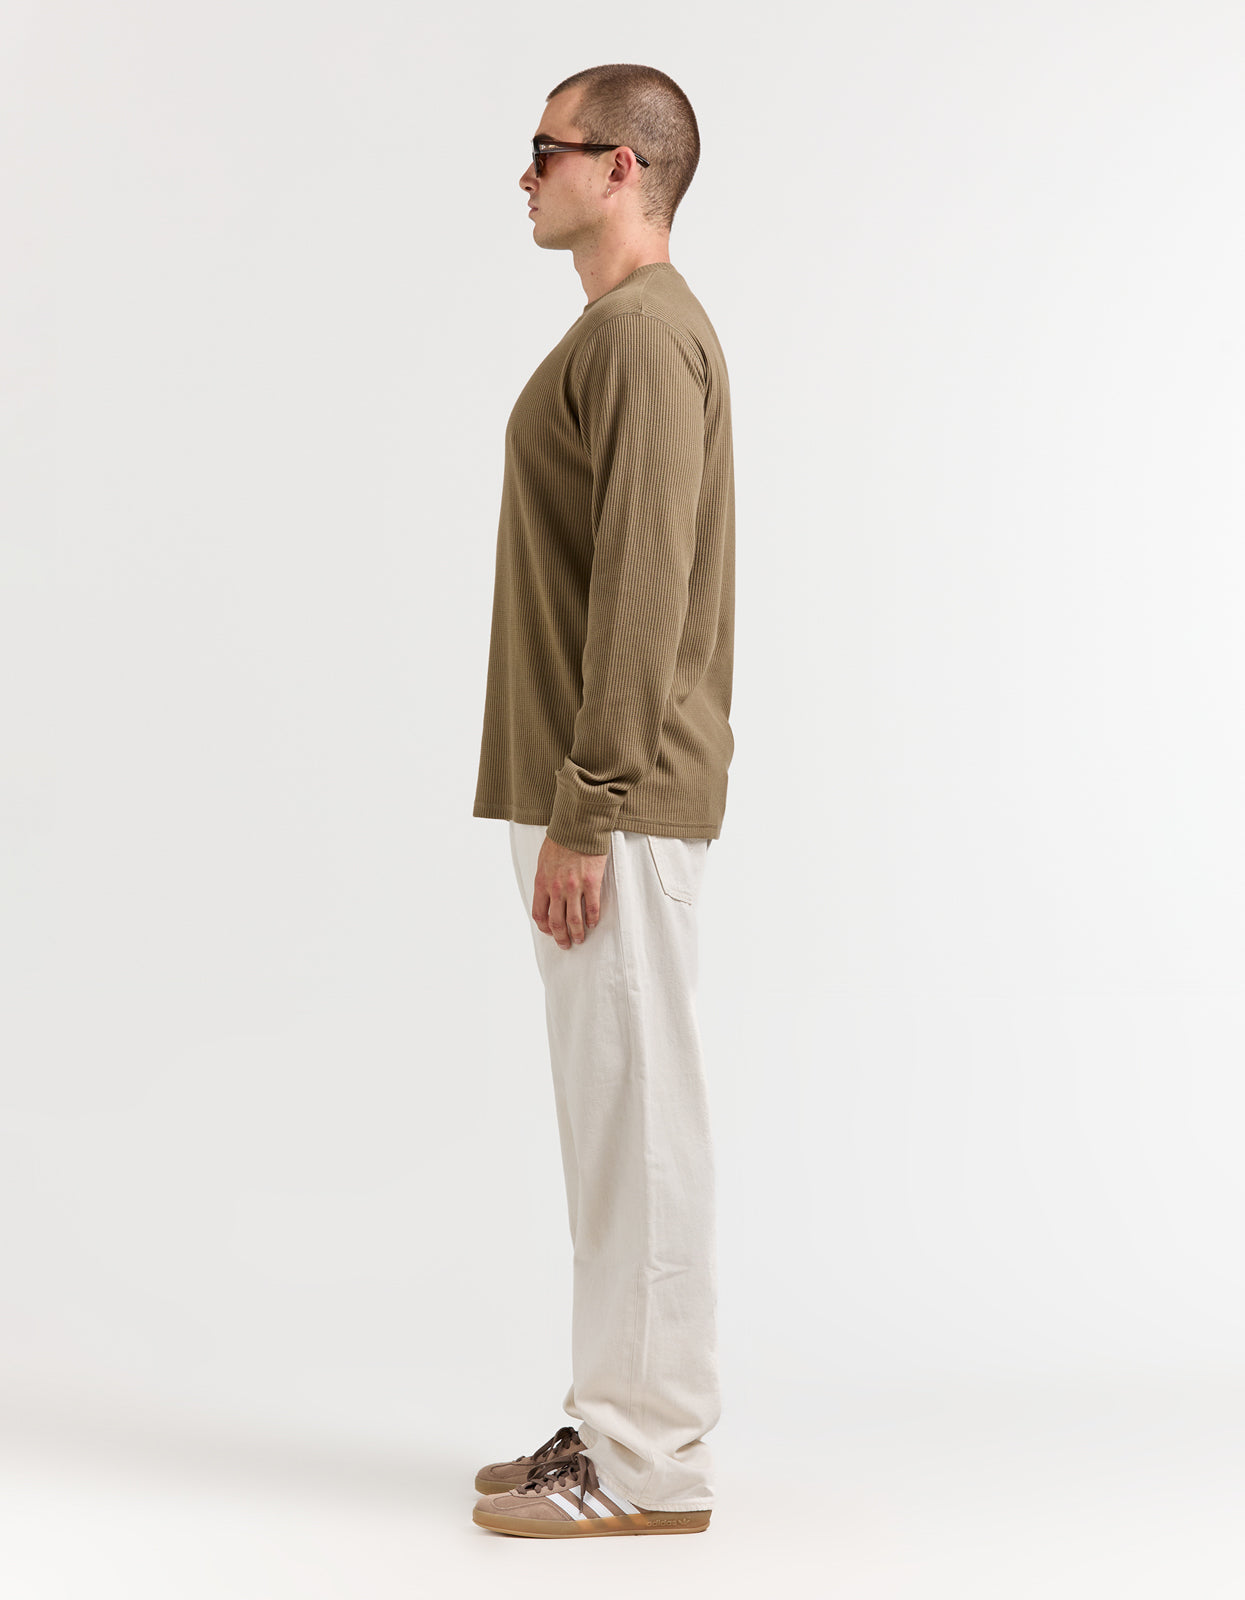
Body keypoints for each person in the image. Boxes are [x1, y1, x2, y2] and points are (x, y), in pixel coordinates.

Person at [470, 62, 736, 1539]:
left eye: (546, 148)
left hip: (611, 801)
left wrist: (585, 807)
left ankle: (645, 1464)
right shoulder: (621, 331)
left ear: (621, 166)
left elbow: (641, 590)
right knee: (613, 1123)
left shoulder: (642, 334)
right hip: (594, 792)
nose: (525, 174)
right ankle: (615, 1422)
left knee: (639, 1127)